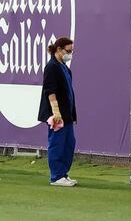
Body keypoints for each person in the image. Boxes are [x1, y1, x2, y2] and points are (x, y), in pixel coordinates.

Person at [38, 37, 78, 187]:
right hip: (57, 116)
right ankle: (56, 176)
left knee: (69, 144)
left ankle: (63, 174)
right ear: (59, 50)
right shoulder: (51, 67)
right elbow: (50, 91)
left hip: (67, 114)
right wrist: (56, 112)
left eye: (72, 51)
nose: (70, 54)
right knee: (57, 144)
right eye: (68, 51)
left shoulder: (65, 68)